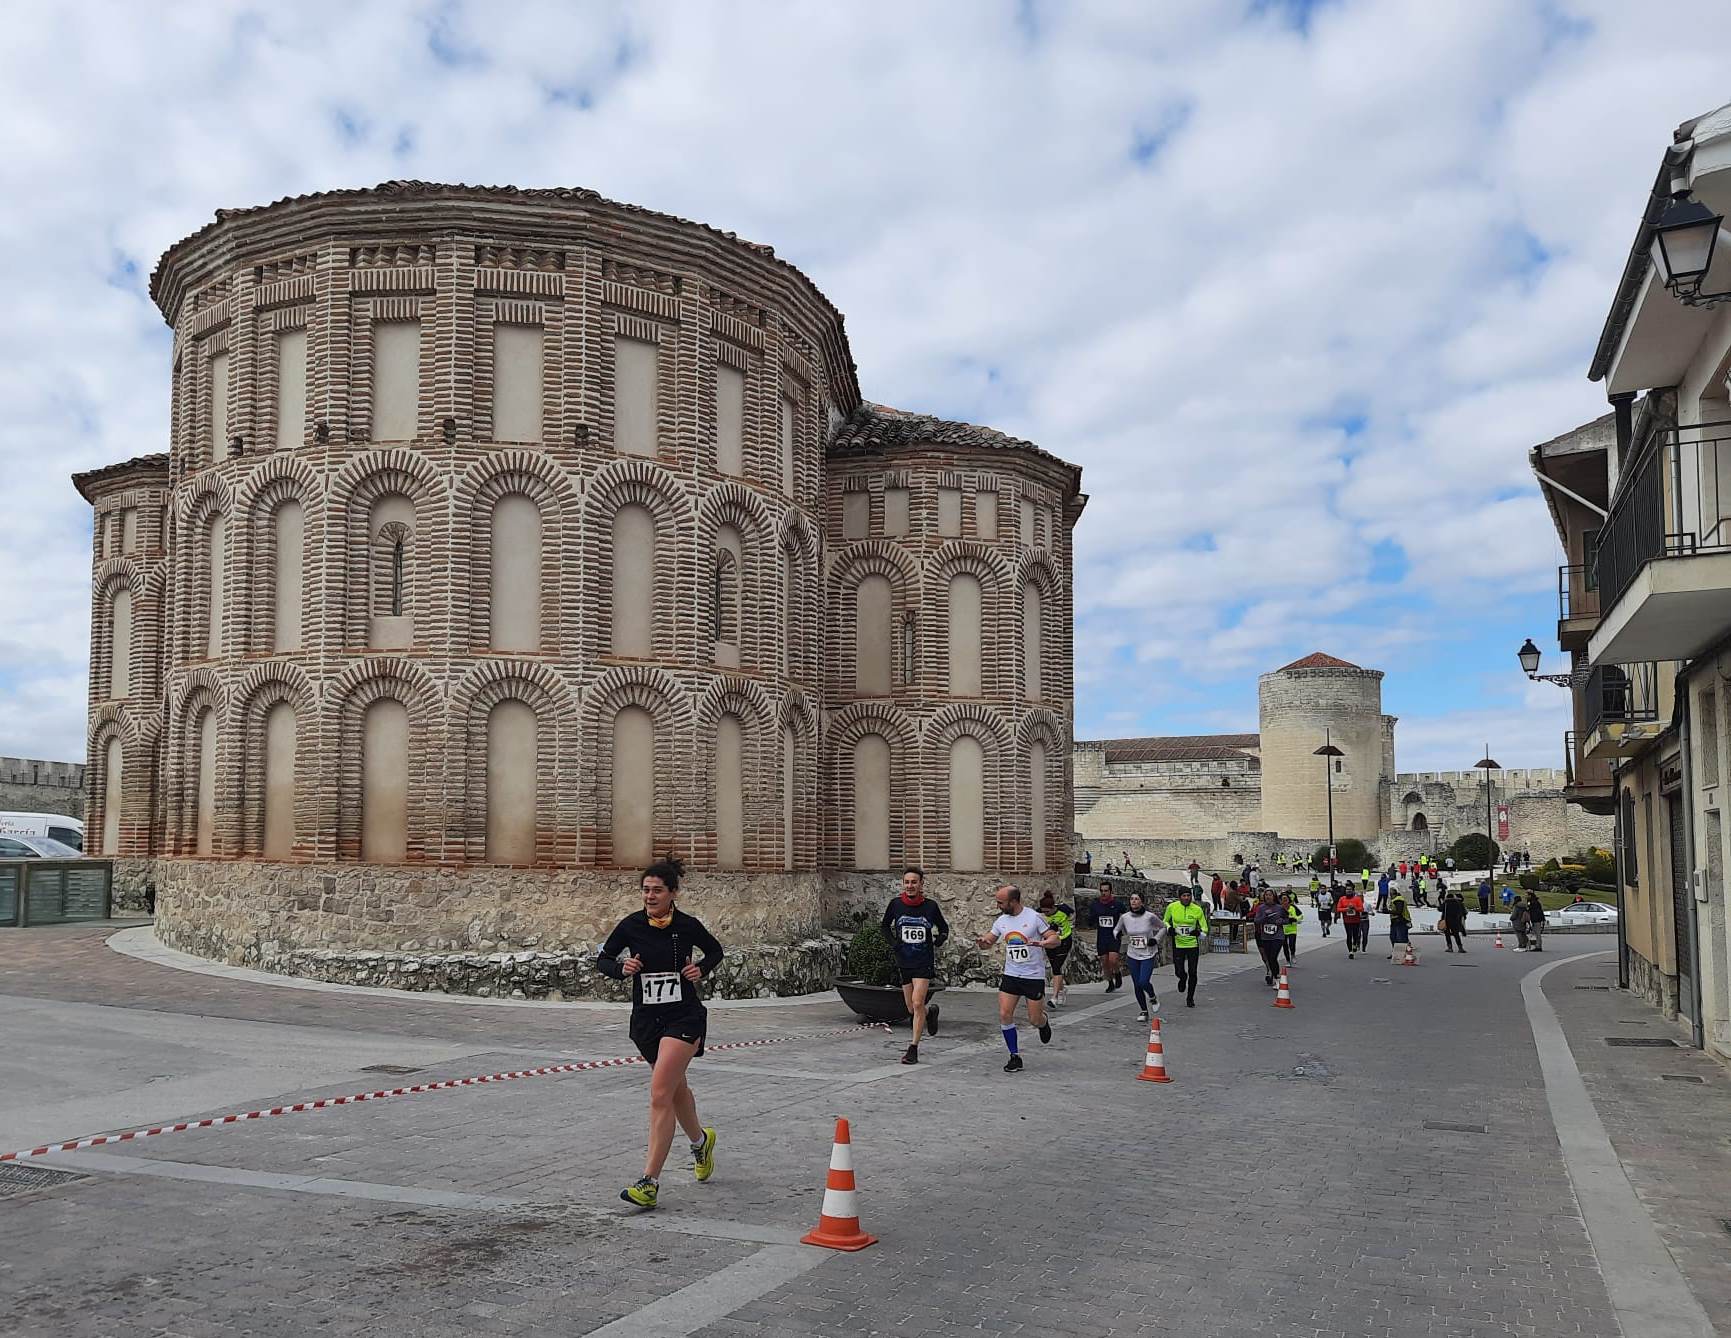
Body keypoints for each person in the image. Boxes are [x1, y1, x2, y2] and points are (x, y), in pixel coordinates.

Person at [597, 858, 722, 1210]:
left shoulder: (686, 926)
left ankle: (649, 1182)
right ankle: (700, 1142)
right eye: (645, 890)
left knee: (659, 1093)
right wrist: (622, 968)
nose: (649, 896)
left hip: (683, 1017)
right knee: (675, 1089)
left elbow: (716, 951)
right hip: (647, 1022)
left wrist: (701, 969)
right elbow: (603, 960)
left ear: (673, 893)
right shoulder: (631, 925)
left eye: (657, 890)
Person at [975, 883, 1058, 1073]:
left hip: (1033, 976)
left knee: (1034, 1019)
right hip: (1011, 974)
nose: (998, 906)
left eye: (1001, 902)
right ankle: (1014, 1056)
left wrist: (1042, 942)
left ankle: (1043, 1023)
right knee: (1004, 1015)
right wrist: (983, 943)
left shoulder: (1034, 917)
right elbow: (989, 940)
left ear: (1013, 902)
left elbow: (1055, 939)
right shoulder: (1001, 921)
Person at [880, 866, 949, 1065]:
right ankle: (930, 1013)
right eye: (907, 882)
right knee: (912, 1008)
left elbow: (943, 927)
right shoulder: (895, 905)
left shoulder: (930, 906)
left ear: (921, 884)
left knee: (918, 1002)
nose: (910, 886)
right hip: (904, 960)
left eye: (914, 882)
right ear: (903, 884)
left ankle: (913, 1048)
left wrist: (939, 939)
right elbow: (884, 926)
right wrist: (894, 944)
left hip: (923, 960)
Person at [1115, 892, 1165, 1022]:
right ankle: (1143, 1011)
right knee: (1137, 985)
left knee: (1143, 981)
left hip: (1148, 953)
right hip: (1132, 954)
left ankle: (1152, 996)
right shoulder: (1125, 917)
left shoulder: (1150, 917)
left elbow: (1163, 927)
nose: (1134, 901)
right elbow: (1116, 929)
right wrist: (1117, 933)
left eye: (1137, 899)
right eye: (1131, 899)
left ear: (1142, 902)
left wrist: (1155, 939)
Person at [1163, 886, 1209, 1008]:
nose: (1186, 898)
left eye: (1188, 895)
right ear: (1180, 897)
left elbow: (1205, 929)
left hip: (1192, 945)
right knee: (1179, 971)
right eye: (1184, 896)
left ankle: (1190, 998)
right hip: (1178, 944)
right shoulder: (1172, 907)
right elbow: (1164, 921)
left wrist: (1199, 933)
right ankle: (1182, 979)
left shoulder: (1197, 909)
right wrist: (1169, 928)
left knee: (1193, 972)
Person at [1038, 889, 1075, 1006]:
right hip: (1050, 942)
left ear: (1053, 907)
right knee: (1055, 967)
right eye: (1044, 912)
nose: (1046, 914)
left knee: (1057, 967)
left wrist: (1070, 924)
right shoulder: (1039, 913)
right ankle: (1062, 989)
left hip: (1064, 941)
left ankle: (1054, 998)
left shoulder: (1063, 909)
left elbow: (1072, 914)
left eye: (1048, 912)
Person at [1088, 881, 1125, 992]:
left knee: (1113, 960)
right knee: (1104, 962)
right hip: (1102, 937)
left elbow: (1125, 915)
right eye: (1102, 891)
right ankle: (1110, 983)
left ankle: (1117, 973)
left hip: (1114, 936)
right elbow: (1091, 920)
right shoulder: (1095, 905)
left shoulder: (1117, 904)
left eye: (1106, 891)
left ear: (1110, 891)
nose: (1103, 893)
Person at [1251, 888, 1286, 986]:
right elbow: (1256, 921)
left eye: (1270, 895)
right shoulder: (1261, 908)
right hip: (1266, 936)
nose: (1268, 896)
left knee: (1273, 957)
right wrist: (1264, 917)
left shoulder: (1279, 908)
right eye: (1266, 895)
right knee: (1269, 958)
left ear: (1274, 896)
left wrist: (1281, 921)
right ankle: (1274, 974)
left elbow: (1287, 919)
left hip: (1278, 936)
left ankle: (1277, 978)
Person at [1336, 882, 1366, 959]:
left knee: (1355, 935)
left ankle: (1355, 944)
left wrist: (1354, 908)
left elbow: (1361, 909)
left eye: (1350, 889)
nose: (1348, 891)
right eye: (1347, 889)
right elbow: (1338, 909)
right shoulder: (1342, 899)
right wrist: (1346, 909)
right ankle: (1350, 952)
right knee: (1349, 935)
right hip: (1347, 921)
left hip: (1356, 920)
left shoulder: (1357, 899)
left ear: (1353, 891)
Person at [1388, 889, 1415, 965]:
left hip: (1401, 921)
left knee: (1401, 939)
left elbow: (1399, 911)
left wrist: (1388, 911)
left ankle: (1407, 955)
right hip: (1395, 922)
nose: (1390, 896)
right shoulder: (1394, 900)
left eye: (1390, 894)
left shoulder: (1399, 900)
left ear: (1392, 894)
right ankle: (1396, 953)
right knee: (1393, 937)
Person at [1440, 888, 1467, 953]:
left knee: (1447, 934)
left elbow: (1440, 909)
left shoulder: (1446, 903)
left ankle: (1450, 947)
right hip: (1455, 920)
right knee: (1456, 934)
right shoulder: (1458, 902)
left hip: (1446, 920)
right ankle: (1460, 948)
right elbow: (1462, 911)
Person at [1280, 890, 1300, 964]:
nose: (1284, 901)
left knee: (1291, 944)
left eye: (1286, 899)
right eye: (1283, 899)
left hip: (1292, 929)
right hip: (1282, 930)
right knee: (1285, 946)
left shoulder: (1293, 907)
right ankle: (1288, 960)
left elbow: (1300, 916)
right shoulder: (1279, 908)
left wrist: (1295, 919)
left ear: (1289, 900)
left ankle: (1293, 954)